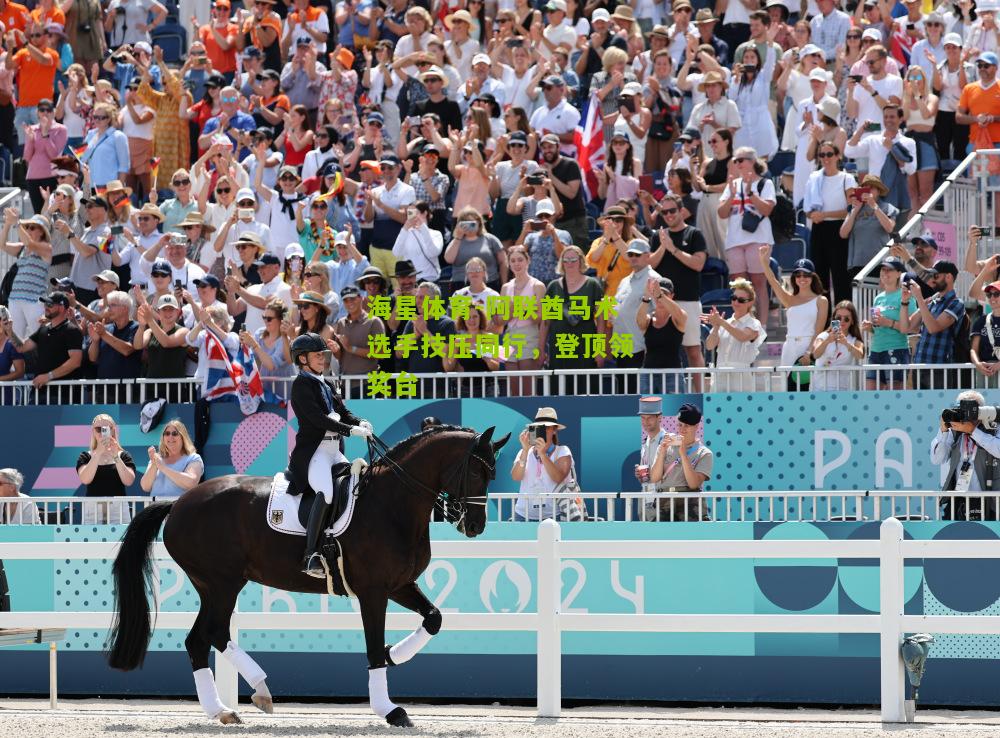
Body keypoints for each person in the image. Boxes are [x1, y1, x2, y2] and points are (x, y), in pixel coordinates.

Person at [288, 332, 373, 577]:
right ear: (302, 359)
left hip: (334, 450)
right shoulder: (301, 385)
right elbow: (317, 419)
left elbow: (342, 411)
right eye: (317, 355)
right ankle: (310, 553)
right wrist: (350, 430)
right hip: (315, 452)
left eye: (323, 354)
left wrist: (360, 422)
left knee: (358, 485)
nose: (322, 359)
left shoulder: (326, 383)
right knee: (325, 492)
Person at [717, 148, 775, 321]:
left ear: (752, 161)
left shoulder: (766, 183)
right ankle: (744, 324)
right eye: (735, 161)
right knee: (740, 287)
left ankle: (761, 326)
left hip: (759, 238)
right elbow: (721, 213)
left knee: (758, 283)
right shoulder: (732, 185)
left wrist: (750, 193)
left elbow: (767, 209)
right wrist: (732, 196)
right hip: (735, 240)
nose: (737, 164)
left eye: (741, 160)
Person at [760, 252, 829, 391]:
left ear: (812, 277)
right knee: (787, 388)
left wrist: (809, 352)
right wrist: (763, 262)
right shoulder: (789, 299)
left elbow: (819, 330)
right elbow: (773, 281)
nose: (802, 278)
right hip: (789, 346)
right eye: (798, 275)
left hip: (808, 345)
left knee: (809, 388)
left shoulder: (821, 300)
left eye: (806, 275)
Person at [931, 390, 1000, 521]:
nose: (964, 413)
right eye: (960, 408)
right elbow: (937, 459)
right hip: (959, 499)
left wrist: (973, 431)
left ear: (981, 411)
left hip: (991, 500)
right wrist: (943, 431)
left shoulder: (994, 427)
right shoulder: (954, 430)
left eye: (969, 409)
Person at [803, 140, 856, 302]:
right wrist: (815, 215)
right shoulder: (814, 178)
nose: (826, 158)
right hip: (819, 229)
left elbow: (851, 209)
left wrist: (824, 214)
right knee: (819, 277)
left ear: (837, 156)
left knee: (841, 277)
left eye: (829, 154)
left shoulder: (847, 178)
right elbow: (807, 210)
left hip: (839, 229)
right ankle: (823, 322)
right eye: (822, 155)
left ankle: (843, 321)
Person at [648, 403, 713, 521]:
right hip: (664, 500)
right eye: (680, 425)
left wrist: (683, 455)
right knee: (660, 538)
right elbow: (654, 478)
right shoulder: (666, 444)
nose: (682, 429)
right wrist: (662, 451)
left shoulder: (704, 453)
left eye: (687, 426)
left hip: (689, 502)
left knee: (691, 538)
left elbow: (694, 484)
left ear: (696, 426)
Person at [908, 260, 965, 390]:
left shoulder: (956, 303)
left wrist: (919, 299)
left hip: (939, 368)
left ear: (949, 277)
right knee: (920, 409)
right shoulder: (933, 300)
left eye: (936, 276)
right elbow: (908, 327)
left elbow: (933, 328)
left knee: (940, 409)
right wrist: (905, 302)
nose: (933, 280)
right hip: (919, 366)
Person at [702, 277, 767, 392]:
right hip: (720, 376)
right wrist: (716, 327)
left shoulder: (754, 323)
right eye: (733, 298)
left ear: (750, 302)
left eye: (741, 300)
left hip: (741, 377)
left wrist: (720, 322)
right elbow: (709, 346)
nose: (736, 302)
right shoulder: (725, 323)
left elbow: (742, 336)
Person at [861, 256, 915, 390]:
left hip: (896, 349)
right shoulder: (878, 298)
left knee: (894, 396)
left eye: (889, 270)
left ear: (898, 274)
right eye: (883, 269)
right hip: (875, 350)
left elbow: (911, 327)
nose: (885, 273)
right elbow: (879, 327)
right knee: (871, 395)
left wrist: (888, 322)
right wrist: (870, 328)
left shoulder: (905, 295)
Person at [509, 407, 572, 522]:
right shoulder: (525, 452)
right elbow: (515, 477)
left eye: (546, 427)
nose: (542, 431)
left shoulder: (562, 451)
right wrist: (525, 450)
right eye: (538, 427)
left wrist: (542, 454)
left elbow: (558, 477)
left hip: (553, 516)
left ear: (554, 430)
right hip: (522, 515)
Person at [76, 413, 137, 524]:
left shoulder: (124, 455)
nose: (102, 432)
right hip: (92, 510)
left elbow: (129, 481)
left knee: (121, 541)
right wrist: (98, 453)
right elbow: (85, 479)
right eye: (98, 429)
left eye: (106, 428)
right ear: (93, 432)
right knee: (91, 541)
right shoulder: (85, 456)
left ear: (113, 430)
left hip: (118, 509)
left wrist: (115, 455)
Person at [139, 419, 203, 499]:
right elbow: (145, 487)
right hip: (155, 508)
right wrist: (154, 464)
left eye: (175, 433)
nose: (170, 437)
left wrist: (163, 468)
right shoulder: (157, 458)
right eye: (167, 433)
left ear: (183, 437)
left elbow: (191, 482)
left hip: (179, 508)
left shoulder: (193, 458)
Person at [809, 300, 864, 391]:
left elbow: (860, 355)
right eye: (838, 318)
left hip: (842, 389)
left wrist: (846, 344)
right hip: (819, 388)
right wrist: (827, 341)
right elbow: (815, 355)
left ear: (852, 321)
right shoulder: (823, 336)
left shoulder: (854, 340)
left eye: (846, 319)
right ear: (834, 319)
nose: (842, 321)